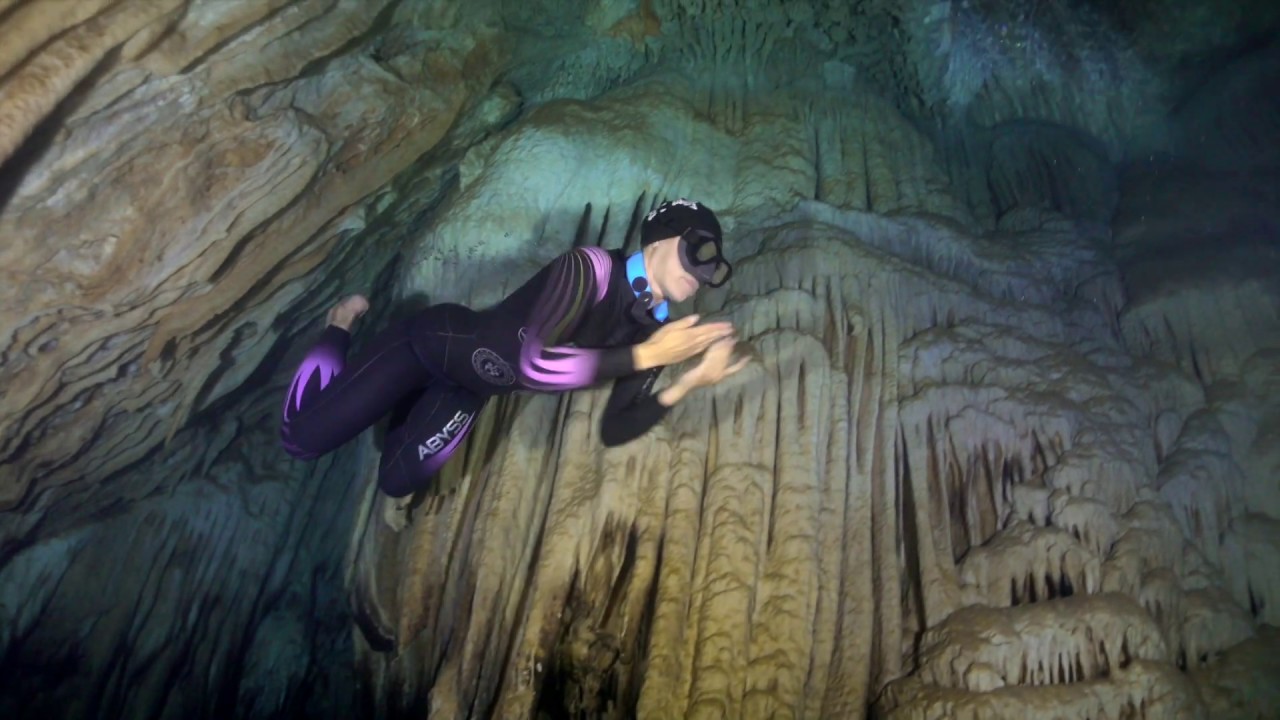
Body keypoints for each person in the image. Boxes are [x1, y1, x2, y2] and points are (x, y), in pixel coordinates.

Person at [280, 198, 749, 497]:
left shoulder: (654, 332)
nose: (704, 274)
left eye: (716, 269)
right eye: (700, 252)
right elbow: (532, 363)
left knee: (396, 482)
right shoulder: (590, 269)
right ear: (661, 240)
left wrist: (691, 380)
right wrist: (648, 357)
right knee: (300, 441)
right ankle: (339, 325)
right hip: (431, 345)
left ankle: (394, 396)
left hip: (470, 389)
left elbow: (616, 426)